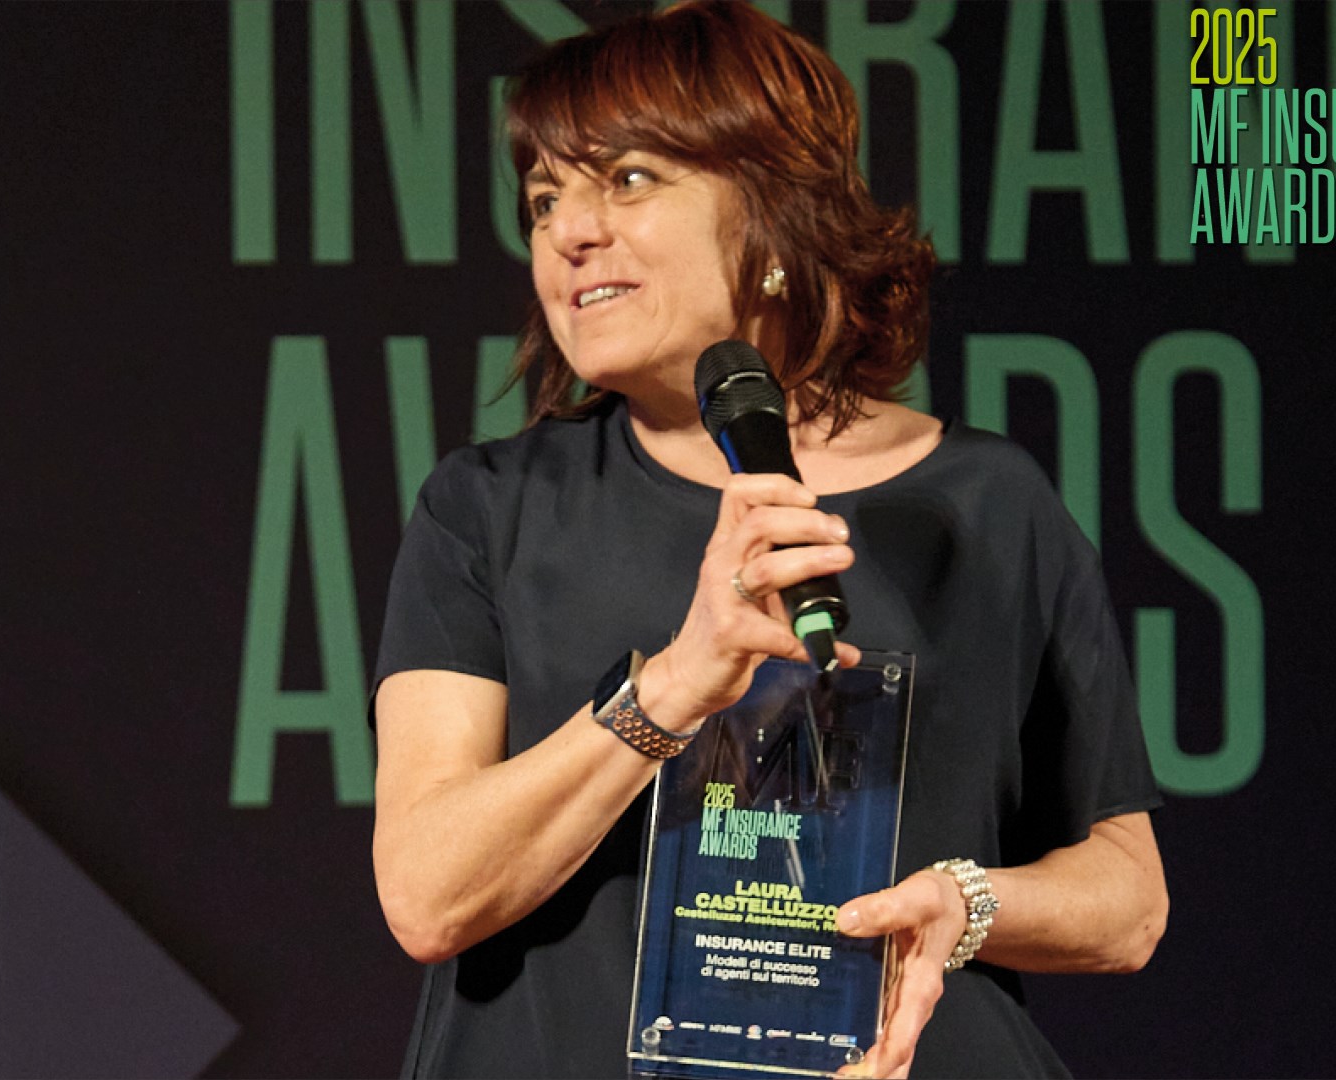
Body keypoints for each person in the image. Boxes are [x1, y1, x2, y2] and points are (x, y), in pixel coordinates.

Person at [371, 3, 1167, 1077]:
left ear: (775, 208)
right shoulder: (488, 510)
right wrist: (672, 688)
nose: (568, 231)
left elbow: (1128, 899)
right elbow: (427, 894)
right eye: (544, 199)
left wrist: (966, 902)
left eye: (629, 179)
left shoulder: (984, 506)